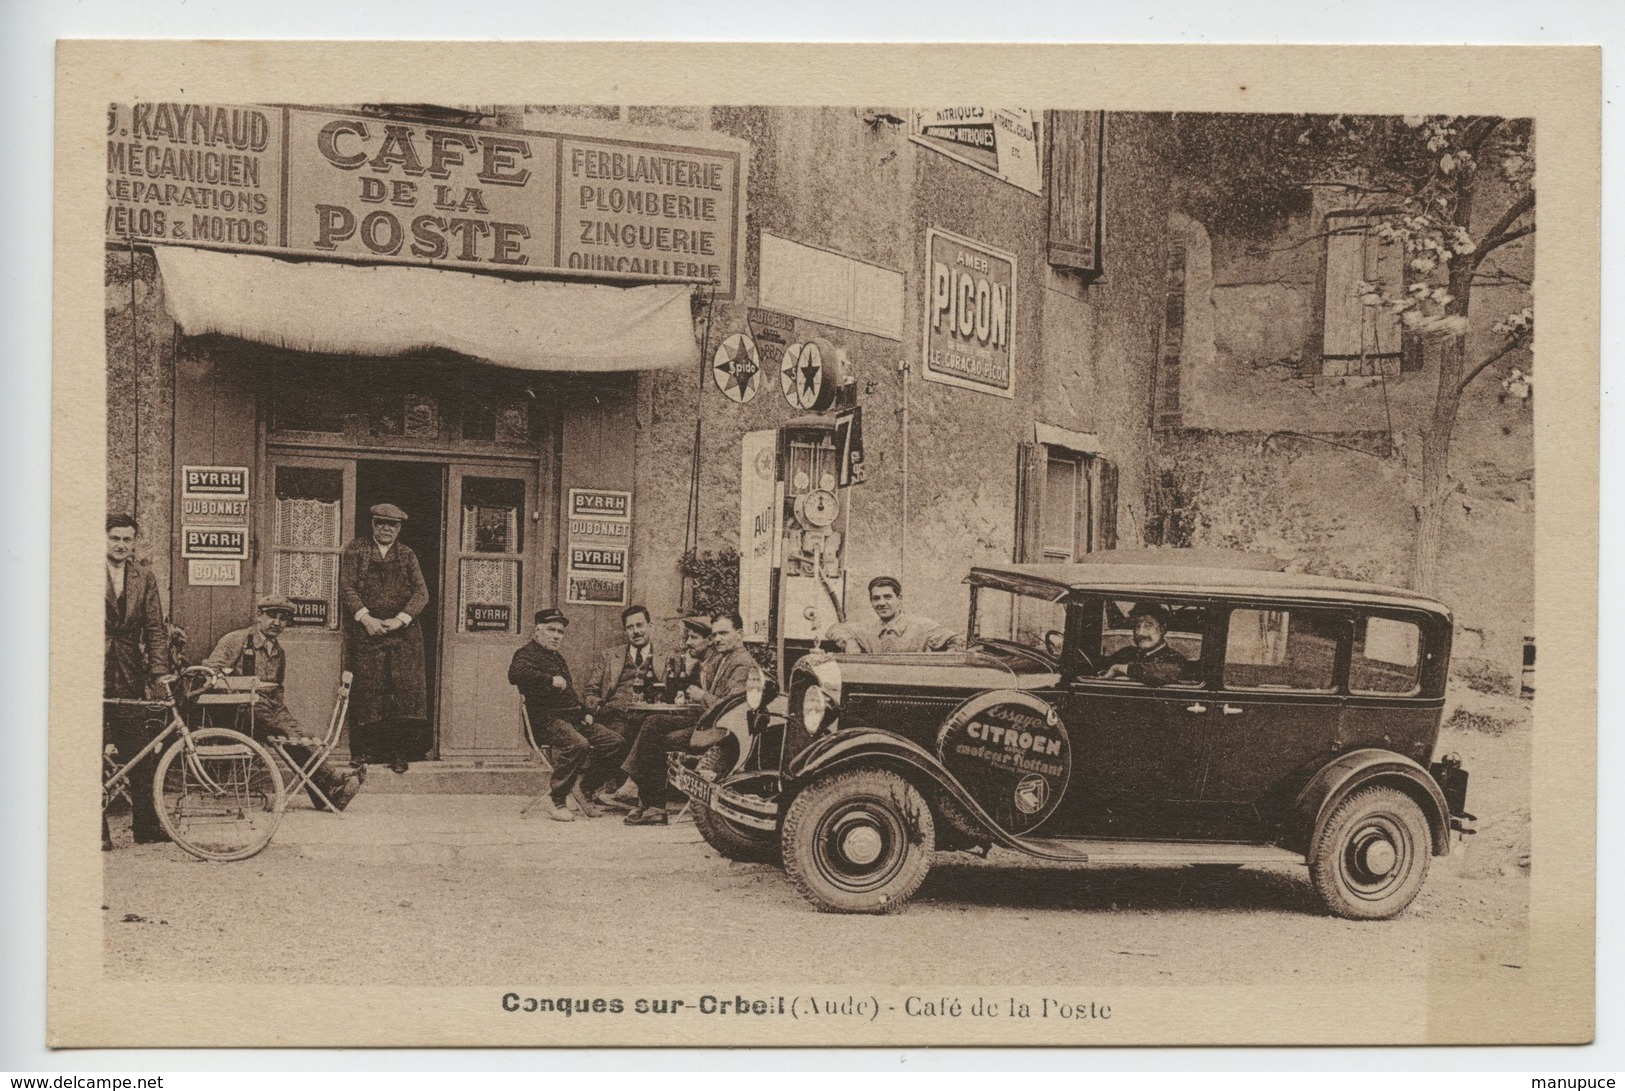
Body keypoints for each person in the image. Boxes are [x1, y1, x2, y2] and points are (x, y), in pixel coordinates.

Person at [202, 594, 364, 812]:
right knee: (289, 735)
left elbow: (278, 690)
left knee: (298, 736)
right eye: (271, 616)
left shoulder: (279, 652)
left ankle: (324, 795)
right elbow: (208, 675)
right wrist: (237, 686)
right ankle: (332, 778)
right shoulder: (236, 640)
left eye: (283, 618)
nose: (277, 623)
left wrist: (282, 713)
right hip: (237, 710)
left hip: (267, 710)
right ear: (259, 615)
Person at [623, 611, 758, 827]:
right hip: (708, 721)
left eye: (724, 633)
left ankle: (653, 803)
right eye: (715, 635)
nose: (718, 639)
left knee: (660, 739)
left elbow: (733, 710)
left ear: (739, 634)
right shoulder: (724, 659)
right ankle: (649, 801)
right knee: (654, 722)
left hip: (720, 731)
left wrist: (702, 696)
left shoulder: (742, 664)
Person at [508, 608, 625, 822]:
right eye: (551, 630)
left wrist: (585, 712)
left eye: (560, 632)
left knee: (616, 742)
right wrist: (549, 680)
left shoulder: (557, 658)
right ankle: (557, 801)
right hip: (545, 722)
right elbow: (515, 674)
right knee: (578, 744)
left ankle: (583, 788)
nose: (556, 636)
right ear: (537, 631)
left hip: (571, 719)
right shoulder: (525, 654)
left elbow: (569, 695)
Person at [340, 503, 430, 774]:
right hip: (368, 633)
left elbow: (421, 593)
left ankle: (398, 753)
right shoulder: (356, 550)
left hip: (403, 636)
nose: (386, 529)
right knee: (368, 690)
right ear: (373, 525)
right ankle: (363, 752)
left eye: (392, 525)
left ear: (399, 529)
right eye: (381, 524)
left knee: (401, 694)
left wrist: (400, 619)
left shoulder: (406, 555)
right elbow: (347, 587)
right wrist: (366, 619)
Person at [103, 513, 172, 849]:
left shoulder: (144, 577)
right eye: (115, 538)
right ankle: (96, 830)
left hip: (128, 673)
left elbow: (156, 628)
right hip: (90, 671)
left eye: (127, 539)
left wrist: (159, 671)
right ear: (104, 538)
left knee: (140, 752)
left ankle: (146, 827)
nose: (121, 545)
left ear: (134, 543)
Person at [596, 613, 710, 813]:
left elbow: (678, 687)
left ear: (650, 626)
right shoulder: (610, 655)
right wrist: (598, 708)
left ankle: (636, 792)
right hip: (617, 714)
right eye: (630, 627)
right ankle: (630, 791)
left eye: (640, 625)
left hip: (650, 713)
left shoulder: (667, 656)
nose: (636, 631)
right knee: (621, 735)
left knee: (650, 724)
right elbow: (591, 690)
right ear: (625, 631)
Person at [827, 576, 965, 654]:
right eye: (876, 598)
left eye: (888, 597)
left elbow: (959, 641)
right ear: (871, 601)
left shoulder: (922, 626)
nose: (881, 603)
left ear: (899, 598)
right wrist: (849, 642)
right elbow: (834, 629)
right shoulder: (867, 628)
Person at [1098, 602, 1187, 686]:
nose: (1140, 633)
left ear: (1163, 629)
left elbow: (1164, 673)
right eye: (1137, 626)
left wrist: (1119, 669)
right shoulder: (1125, 653)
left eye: (1148, 626)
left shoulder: (1174, 659)